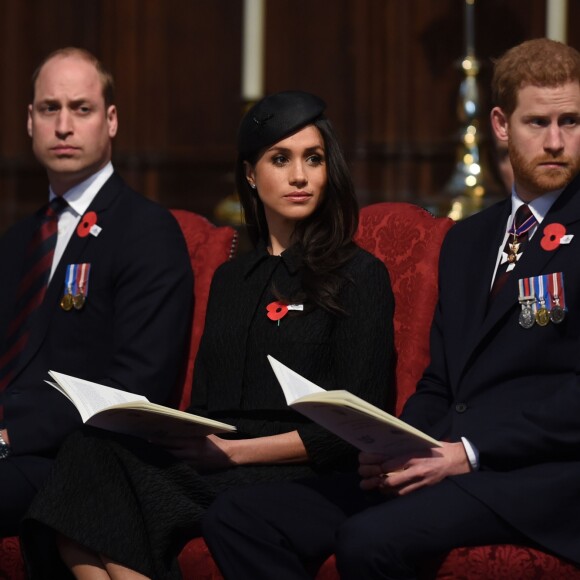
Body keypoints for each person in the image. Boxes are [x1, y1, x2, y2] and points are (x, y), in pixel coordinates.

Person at [201, 38, 580, 579]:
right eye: (537, 122)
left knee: (368, 540)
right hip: (446, 460)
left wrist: (468, 451)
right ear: (501, 124)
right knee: (240, 518)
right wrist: (398, 444)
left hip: (538, 480)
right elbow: (441, 381)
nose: (556, 141)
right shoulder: (470, 240)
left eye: (571, 122)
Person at [20, 90, 395, 579]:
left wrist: (234, 452)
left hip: (300, 469)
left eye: (314, 159)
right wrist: (169, 429)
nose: (300, 176)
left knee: (105, 499)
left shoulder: (360, 274)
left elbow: (360, 423)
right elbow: (206, 406)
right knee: (87, 454)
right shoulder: (230, 280)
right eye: (280, 159)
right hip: (216, 460)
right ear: (249, 174)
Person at [0, 47, 193, 537]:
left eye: (81, 109)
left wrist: (8, 437)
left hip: (75, 458)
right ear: (29, 121)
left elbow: (134, 386)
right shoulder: (16, 240)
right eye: (50, 109)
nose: (63, 126)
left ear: (110, 121)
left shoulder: (146, 230)